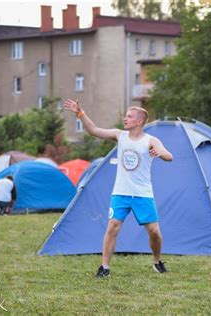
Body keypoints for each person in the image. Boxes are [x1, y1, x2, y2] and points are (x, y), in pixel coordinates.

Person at [64, 99, 173, 277]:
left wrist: (161, 153)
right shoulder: (119, 135)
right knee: (113, 226)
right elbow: (93, 130)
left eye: (129, 117)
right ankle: (104, 267)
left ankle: (157, 261)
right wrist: (80, 113)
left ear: (139, 121)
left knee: (154, 231)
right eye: (125, 116)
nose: (125, 119)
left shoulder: (151, 140)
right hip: (121, 193)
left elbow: (169, 156)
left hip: (142, 194)